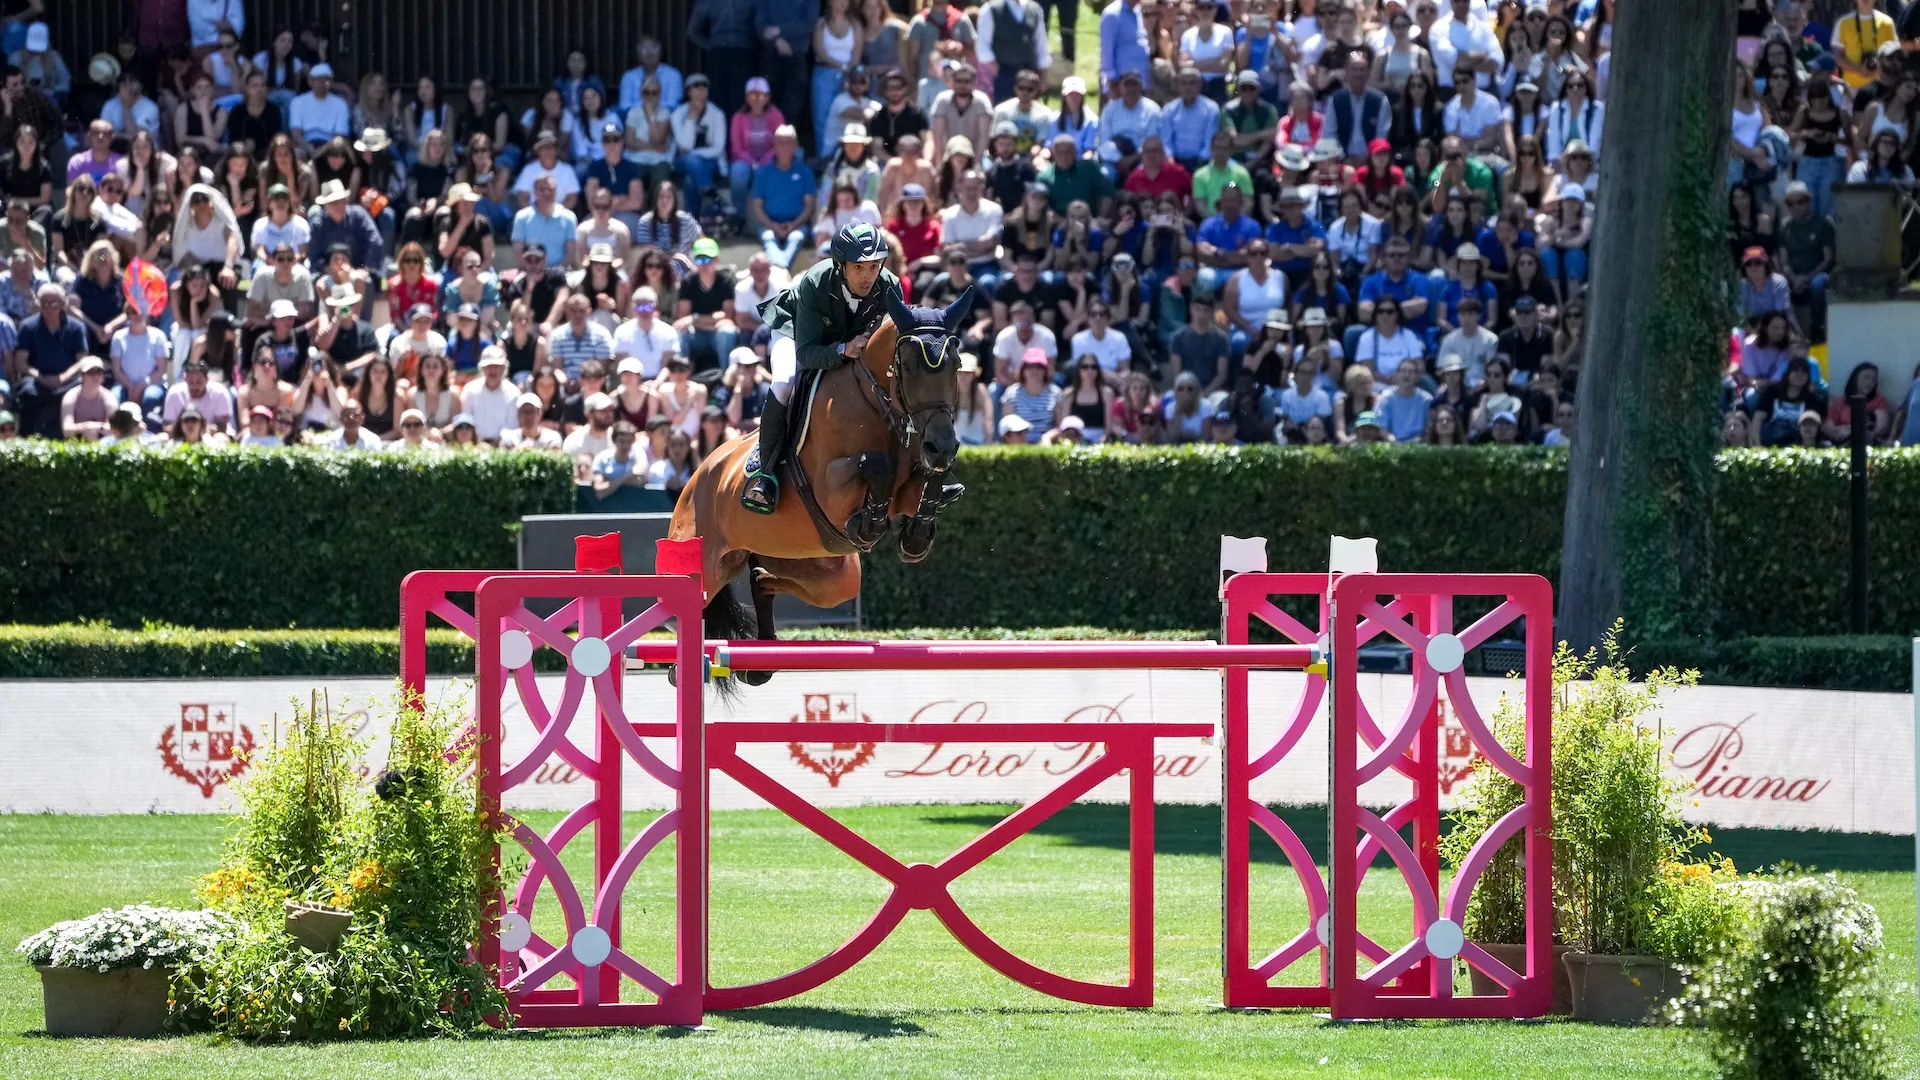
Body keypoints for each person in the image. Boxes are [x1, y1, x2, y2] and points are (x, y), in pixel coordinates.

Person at [745, 221, 915, 513]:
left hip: (848, 338)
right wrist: (843, 349)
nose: (867, 276)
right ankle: (766, 469)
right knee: (785, 381)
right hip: (797, 332)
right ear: (840, 265)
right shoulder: (816, 282)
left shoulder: (890, 286)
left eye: (874, 266)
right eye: (858, 267)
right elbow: (808, 354)